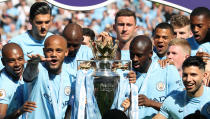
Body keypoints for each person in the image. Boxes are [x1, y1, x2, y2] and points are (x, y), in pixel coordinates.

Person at [113, 35, 183, 118]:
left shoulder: (167, 70)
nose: (135, 59)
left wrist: (151, 103)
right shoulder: (125, 74)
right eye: (132, 55)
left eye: (139, 55)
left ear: (150, 54)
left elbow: (178, 108)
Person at [23, 35, 73, 119]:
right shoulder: (38, 68)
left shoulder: (70, 75)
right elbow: (28, 77)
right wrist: (33, 63)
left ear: (66, 52)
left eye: (58, 51)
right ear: (44, 51)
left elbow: (68, 108)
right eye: (50, 50)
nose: (54, 54)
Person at [0, 43, 36, 119]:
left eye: (20, 59)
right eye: (11, 61)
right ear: (3, 62)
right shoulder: (4, 86)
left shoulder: (25, 71)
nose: (17, 64)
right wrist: (19, 111)